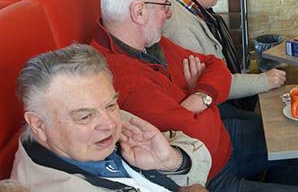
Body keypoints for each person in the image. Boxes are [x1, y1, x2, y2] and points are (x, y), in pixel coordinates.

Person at [90, 0, 298, 192]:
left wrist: (200, 95)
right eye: (164, 6)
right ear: (138, 12)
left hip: (224, 139)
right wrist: (204, 98)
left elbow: (216, 66)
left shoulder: (148, 43)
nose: (169, 14)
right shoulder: (121, 79)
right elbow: (196, 138)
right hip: (209, 175)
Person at [11, 44, 210, 192]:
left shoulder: (94, 131)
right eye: (85, 116)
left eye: (111, 104)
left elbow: (199, 152)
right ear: (38, 125)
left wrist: (171, 160)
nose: (110, 125)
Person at [162, 0, 286, 119]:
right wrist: (265, 80)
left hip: (218, 99)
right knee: (271, 126)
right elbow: (211, 84)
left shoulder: (182, 2)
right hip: (211, 112)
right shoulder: (178, 28)